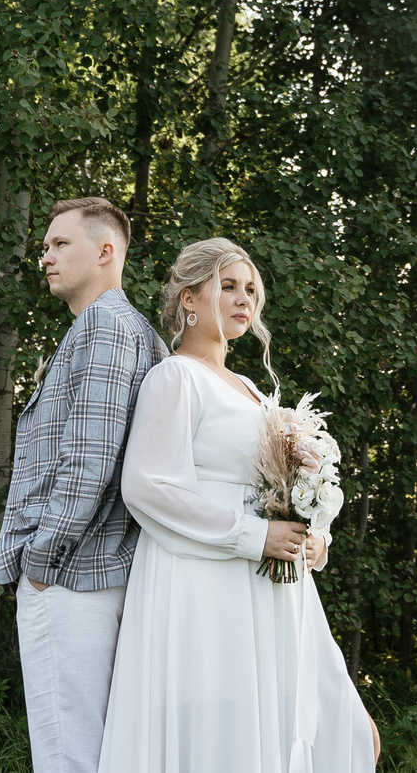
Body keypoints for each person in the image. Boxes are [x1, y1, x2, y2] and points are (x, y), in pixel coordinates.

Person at [98, 237, 379, 773]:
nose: (243, 298)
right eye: (227, 286)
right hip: (203, 584)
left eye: (251, 289)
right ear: (189, 298)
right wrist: (254, 537)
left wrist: (311, 534)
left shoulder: (251, 388)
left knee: (312, 729)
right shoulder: (175, 377)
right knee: (219, 734)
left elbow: (280, 492)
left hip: (271, 588)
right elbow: (146, 486)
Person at [0, 196, 165, 773]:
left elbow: (90, 461)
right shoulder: (123, 328)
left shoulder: (105, 327)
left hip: (71, 577)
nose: (46, 257)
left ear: (106, 251)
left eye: (60, 244)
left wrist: (42, 560)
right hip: (97, 573)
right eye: (45, 246)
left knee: (68, 754)